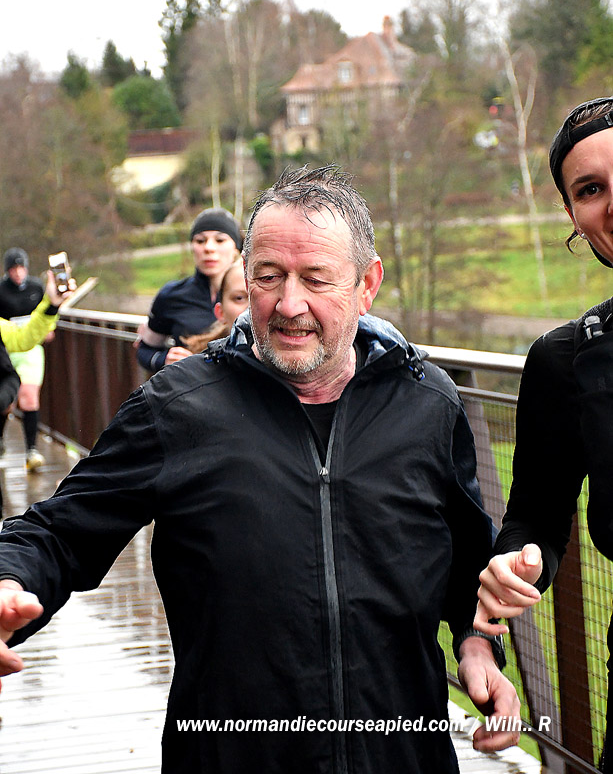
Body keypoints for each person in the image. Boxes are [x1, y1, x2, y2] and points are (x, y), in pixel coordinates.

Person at [0, 167, 519, 773]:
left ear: (367, 284)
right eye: (269, 277)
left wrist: (478, 642)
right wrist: (9, 580)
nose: (289, 304)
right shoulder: (178, 407)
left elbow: (466, 560)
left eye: (316, 279)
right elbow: (59, 533)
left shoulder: (428, 402)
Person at [474, 97, 613, 772]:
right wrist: (517, 561)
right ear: (572, 215)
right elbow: (535, 516)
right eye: (590, 190)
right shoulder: (567, 359)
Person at [136, 207, 242, 372]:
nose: (208, 248)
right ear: (192, 247)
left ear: (236, 248)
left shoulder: (256, 292)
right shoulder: (171, 295)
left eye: (220, 240)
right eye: (200, 241)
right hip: (190, 386)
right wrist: (165, 360)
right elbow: (145, 349)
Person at [0, 249, 50, 471]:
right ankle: (1, 440)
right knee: (6, 403)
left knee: (29, 397)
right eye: (13, 269)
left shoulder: (36, 287)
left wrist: (47, 329)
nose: (18, 273)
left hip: (31, 350)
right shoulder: (1, 290)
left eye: (21, 268)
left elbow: (46, 313)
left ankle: (31, 450)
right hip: (7, 350)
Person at [180, 260, 249, 353]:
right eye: (239, 298)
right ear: (220, 312)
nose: (250, 308)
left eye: (260, 297)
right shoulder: (202, 358)